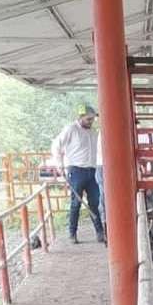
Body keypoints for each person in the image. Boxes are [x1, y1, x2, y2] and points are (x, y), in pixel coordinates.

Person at [51, 104, 106, 244]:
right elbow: (56, 145)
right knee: (76, 203)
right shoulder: (70, 129)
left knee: (94, 202)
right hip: (76, 170)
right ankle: (72, 233)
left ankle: (100, 233)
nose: (91, 122)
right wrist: (59, 165)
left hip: (91, 170)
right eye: (88, 119)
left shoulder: (93, 132)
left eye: (92, 119)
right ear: (80, 117)